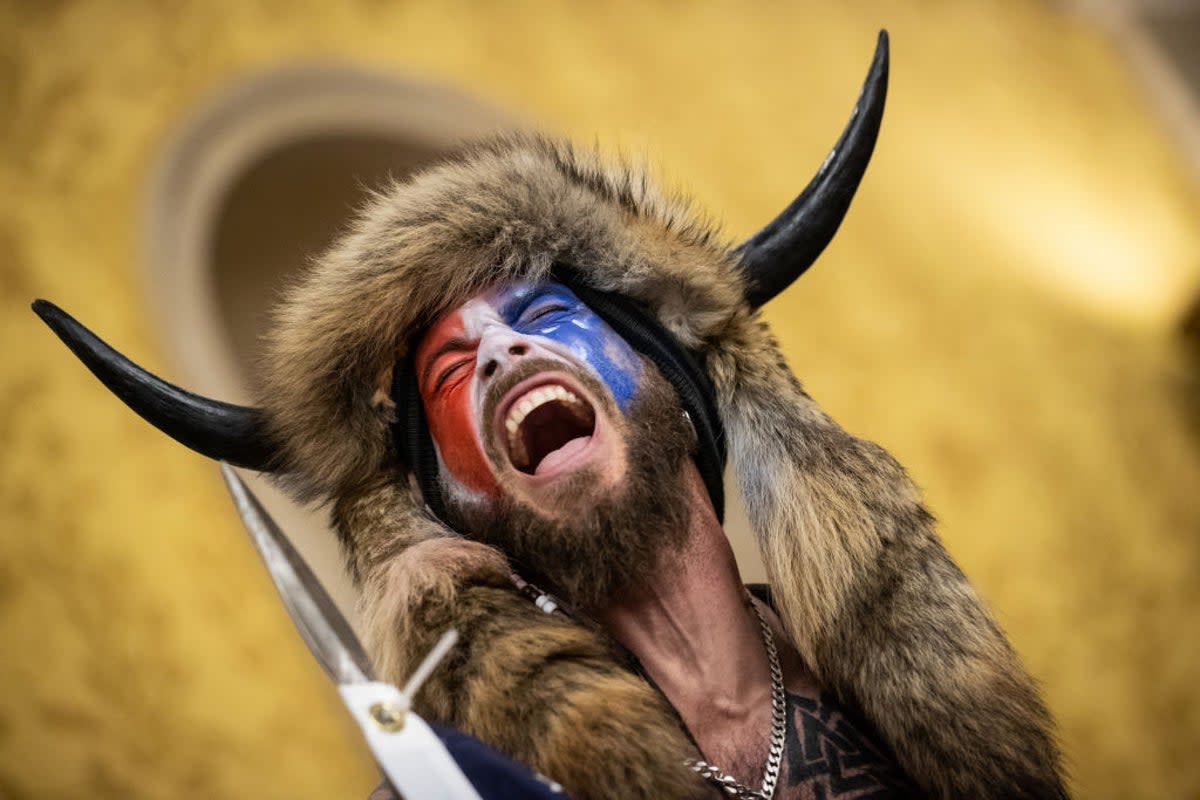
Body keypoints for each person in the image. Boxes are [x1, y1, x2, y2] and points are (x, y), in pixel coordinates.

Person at [35, 34, 1068, 799]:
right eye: (448, 371)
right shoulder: (483, 783)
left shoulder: (877, 684)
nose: (500, 349)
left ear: (669, 377)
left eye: (539, 315)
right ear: (456, 504)